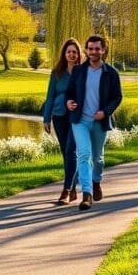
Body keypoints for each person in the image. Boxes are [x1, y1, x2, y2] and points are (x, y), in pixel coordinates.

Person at [66, 35, 123, 210]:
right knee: (84, 155)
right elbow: (70, 92)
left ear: (103, 50)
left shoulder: (111, 73)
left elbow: (117, 97)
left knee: (98, 159)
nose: (93, 52)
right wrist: (69, 102)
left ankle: (96, 181)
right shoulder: (78, 71)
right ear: (87, 50)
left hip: (99, 122)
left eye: (97, 49)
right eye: (90, 49)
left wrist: (105, 112)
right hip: (80, 120)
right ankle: (87, 194)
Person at [43, 38, 81, 205]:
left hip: (77, 116)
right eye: (69, 52)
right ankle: (72, 187)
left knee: (72, 150)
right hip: (59, 115)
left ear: (79, 54)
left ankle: (65, 191)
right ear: (64, 54)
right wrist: (46, 118)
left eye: (74, 51)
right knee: (66, 152)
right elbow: (50, 96)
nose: (71, 54)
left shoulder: (83, 72)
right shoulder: (57, 73)